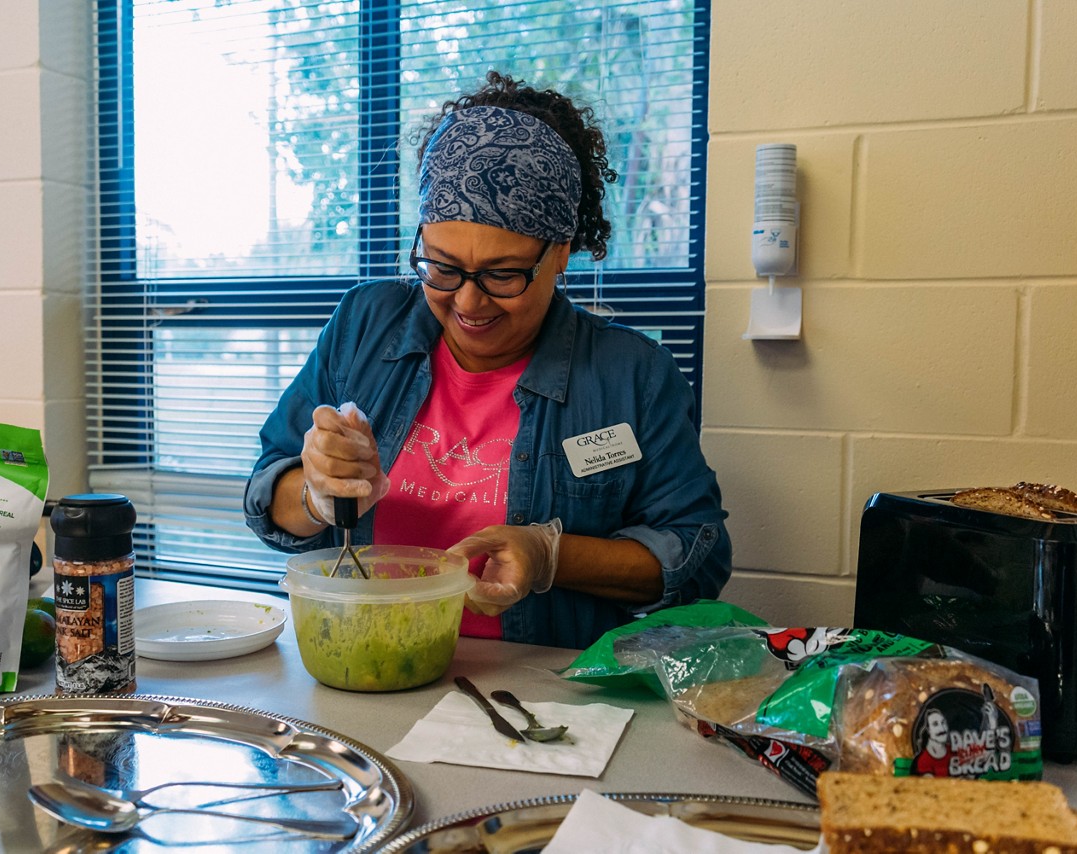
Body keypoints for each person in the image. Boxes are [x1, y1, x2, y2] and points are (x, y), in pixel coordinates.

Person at [244, 71, 730, 649]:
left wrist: (550, 555)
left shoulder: (632, 375)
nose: (469, 302)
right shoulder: (365, 325)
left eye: (503, 274)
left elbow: (698, 560)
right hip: (366, 663)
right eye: (443, 267)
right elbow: (269, 496)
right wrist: (315, 494)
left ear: (560, 256)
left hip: (536, 697)